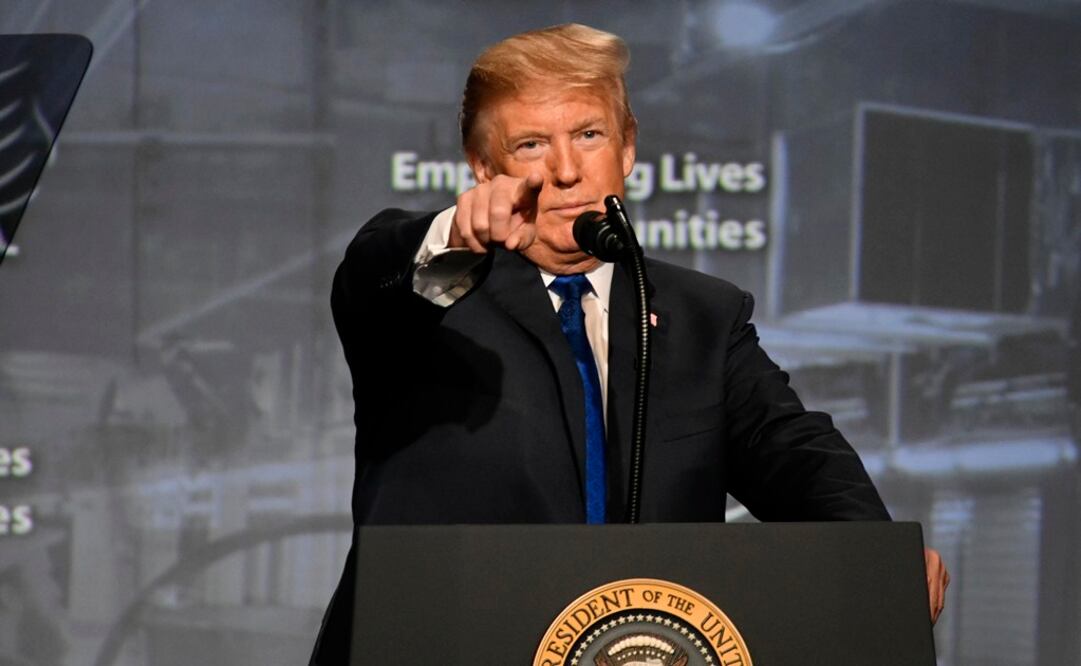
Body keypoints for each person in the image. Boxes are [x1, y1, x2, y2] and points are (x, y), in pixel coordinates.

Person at [312, 23, 948, 664]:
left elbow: (793, 451)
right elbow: (374, 273)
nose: (566, 172)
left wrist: (877, 551)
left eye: (589, 135)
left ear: (629, 146)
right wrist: (456, 230)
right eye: (531, 144)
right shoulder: (431, 293)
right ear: (483, 167)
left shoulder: (703, 315)